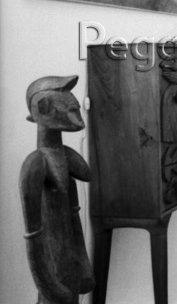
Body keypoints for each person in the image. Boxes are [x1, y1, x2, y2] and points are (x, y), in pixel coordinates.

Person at [19, 75, 94, 304]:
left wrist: (83, 264)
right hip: (52, 269)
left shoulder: (67, 158)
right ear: (44, 108)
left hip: (70, 260)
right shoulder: (35, 165)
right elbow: (33, 236)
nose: (75, 105)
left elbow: (74, 214)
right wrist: (47, 284)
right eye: (67, 103)